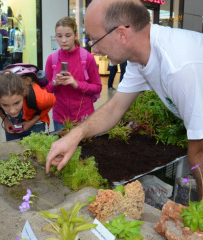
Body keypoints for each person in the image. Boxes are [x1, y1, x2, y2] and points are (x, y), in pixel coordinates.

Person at [46, 0, 203, 201]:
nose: (94, 50)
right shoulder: (140, 57)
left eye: (95, 40)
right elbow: (115, 107)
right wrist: (75, 135)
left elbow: (199, 155)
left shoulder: (180, 67)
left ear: (121, 34)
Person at [44, 16, 102, 131]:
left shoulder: (87, 58)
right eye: (59, 36)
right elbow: (45, 90)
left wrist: (77, 84)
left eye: (68, 35)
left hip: (84, 116)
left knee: (85, 148)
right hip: (60, 119)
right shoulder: (52, 59)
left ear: (76, 35)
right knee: (62, 148)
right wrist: (55, 83)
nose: (63, 40)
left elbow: (98, 87)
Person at [0, 65, 56, 141]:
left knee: (35, 150)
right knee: (13, 149)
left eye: (16, 103)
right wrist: (5, 119)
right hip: (13, 123)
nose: (12, 111)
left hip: (36, 122)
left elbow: (52, 100)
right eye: (5, 105)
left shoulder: (39, 97)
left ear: (24, 93)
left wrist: (32, 122)